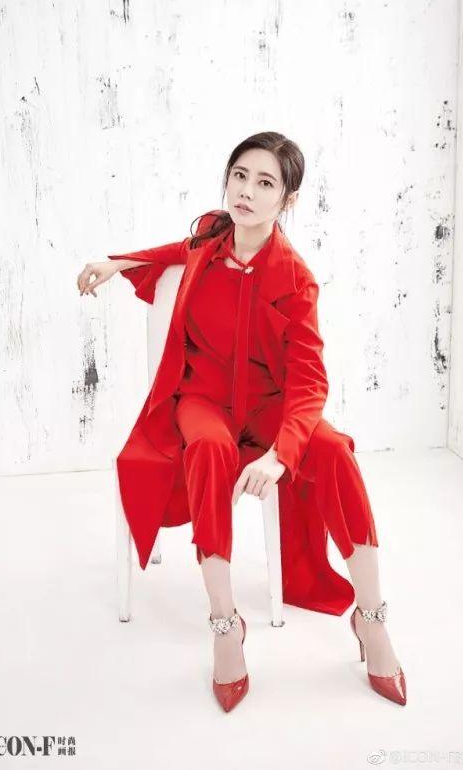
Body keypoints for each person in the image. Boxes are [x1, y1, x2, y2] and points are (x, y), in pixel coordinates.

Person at [77, 131, 406, 712]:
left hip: (269, 407)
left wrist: (281, 454)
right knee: (207, 449)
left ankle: (372, 618)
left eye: (265, 182)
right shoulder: (209, 238)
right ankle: (225, 625)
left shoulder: (296, 278)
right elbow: (174, 251)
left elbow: (309, 379)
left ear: (287, 199)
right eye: (239, 176)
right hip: (203, 399)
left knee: (333, 450)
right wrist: (116, 261)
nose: (247, 191)